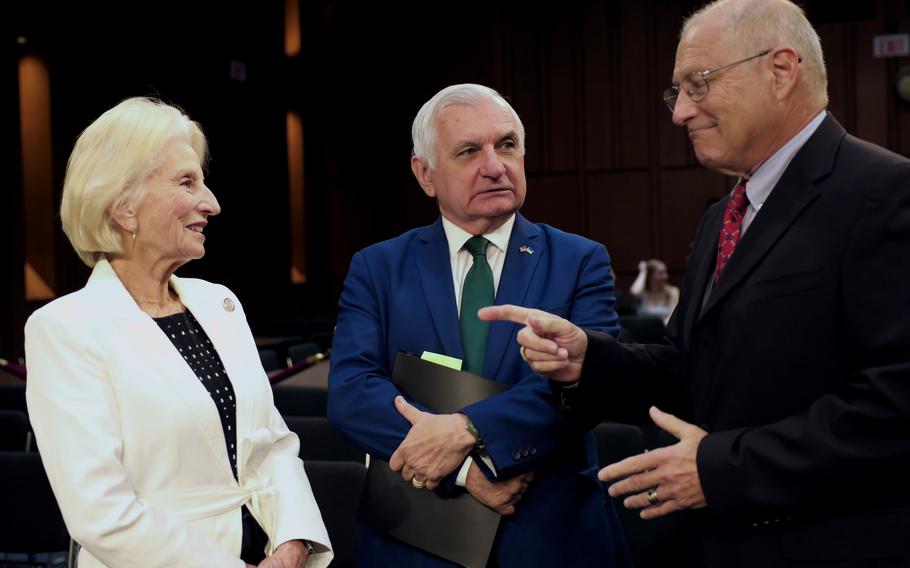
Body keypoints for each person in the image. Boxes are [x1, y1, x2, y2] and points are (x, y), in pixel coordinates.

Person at [479, 0, 910, 566]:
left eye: (699, 84)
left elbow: (895, 405)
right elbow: (690, 365)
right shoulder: (723, 215)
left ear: (780, 71)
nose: (681, 111)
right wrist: (589, 361)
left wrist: (719, 468)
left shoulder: (886, 194)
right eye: (676, 91)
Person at [328, 84, 631, 567]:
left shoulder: (579, 260)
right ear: (425, 174)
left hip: (548, 533)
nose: (495, 165)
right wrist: (467, 471)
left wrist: (470, 429)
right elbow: (351, 393)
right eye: (469, 151)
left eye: (507, 145)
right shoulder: (378, 268)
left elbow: (587, 384)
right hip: (418, 536)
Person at [24, 97, 332, 568]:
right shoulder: (65, 330)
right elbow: (101, 513)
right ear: (123, 207)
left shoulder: (220, 303)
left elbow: (271, 444)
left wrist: (292, 542)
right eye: (187, 182)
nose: (212, 203)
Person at [629, 259, 679, 324]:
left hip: (663, 331)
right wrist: (643, 272)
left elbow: (672, 319)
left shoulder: (672, 291)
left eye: (665, 272)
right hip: (642, 330)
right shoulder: (642, 291)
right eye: (660, 273)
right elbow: (634, 292)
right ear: (650, 276)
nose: (665, 276)